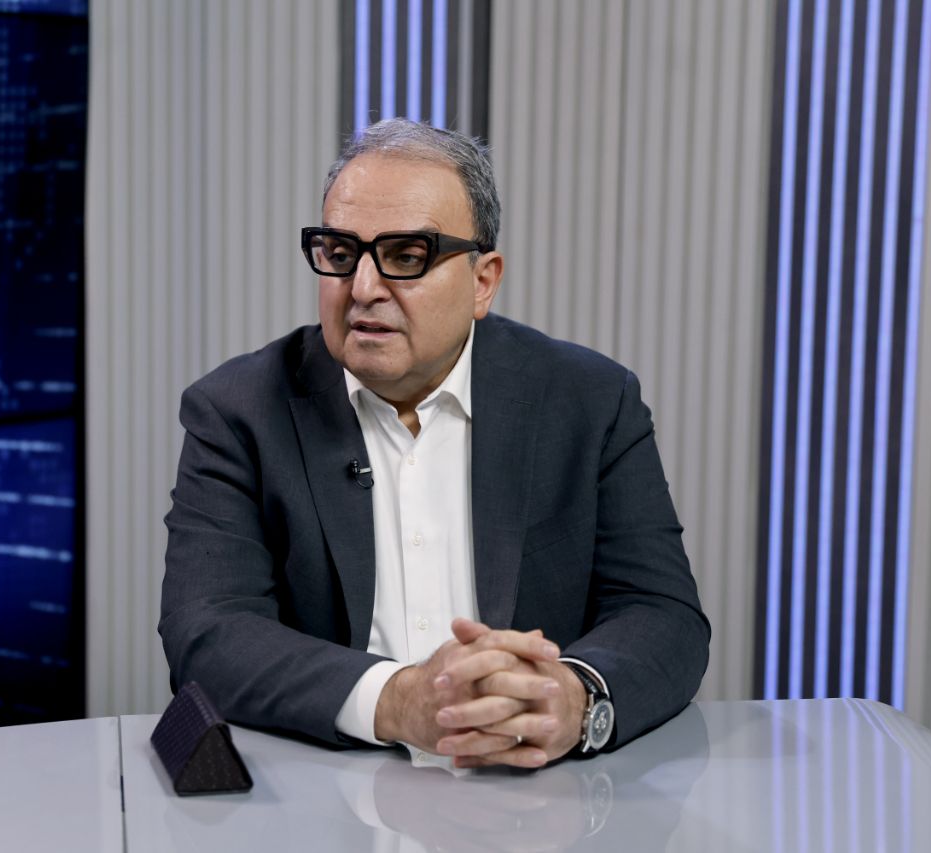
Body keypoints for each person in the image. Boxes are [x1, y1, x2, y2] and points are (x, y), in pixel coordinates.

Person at [160, 118, 709, 770]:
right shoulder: (238, 411)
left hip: (544, 795)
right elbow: (207, 631)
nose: (364, 288)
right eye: (341, 252)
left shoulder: (590, 401)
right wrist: (397, 700)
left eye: (406, 256)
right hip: (326, 792)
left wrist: (572, 696)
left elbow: (663, 614)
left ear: (483, 281)